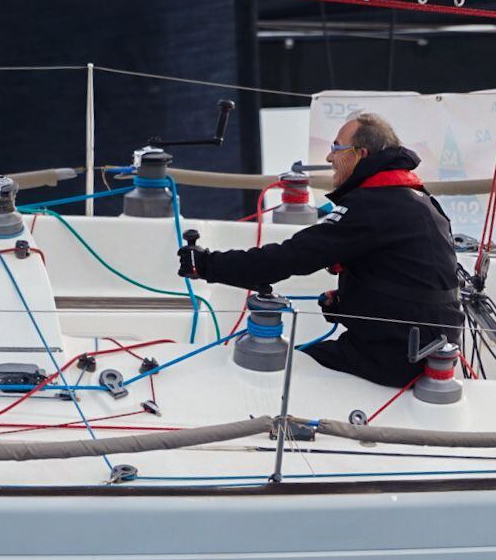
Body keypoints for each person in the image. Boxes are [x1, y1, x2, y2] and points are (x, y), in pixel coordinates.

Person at [179, 112, 463, 387]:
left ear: (360, 154)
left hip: (394, 357)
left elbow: (291, 257)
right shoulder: (417, 199)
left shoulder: (374, 205)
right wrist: (346, 303)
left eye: (336, 148)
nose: (329, 158)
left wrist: (206, 265)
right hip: (427, 348)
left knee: (279, 373)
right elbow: (410, 278)